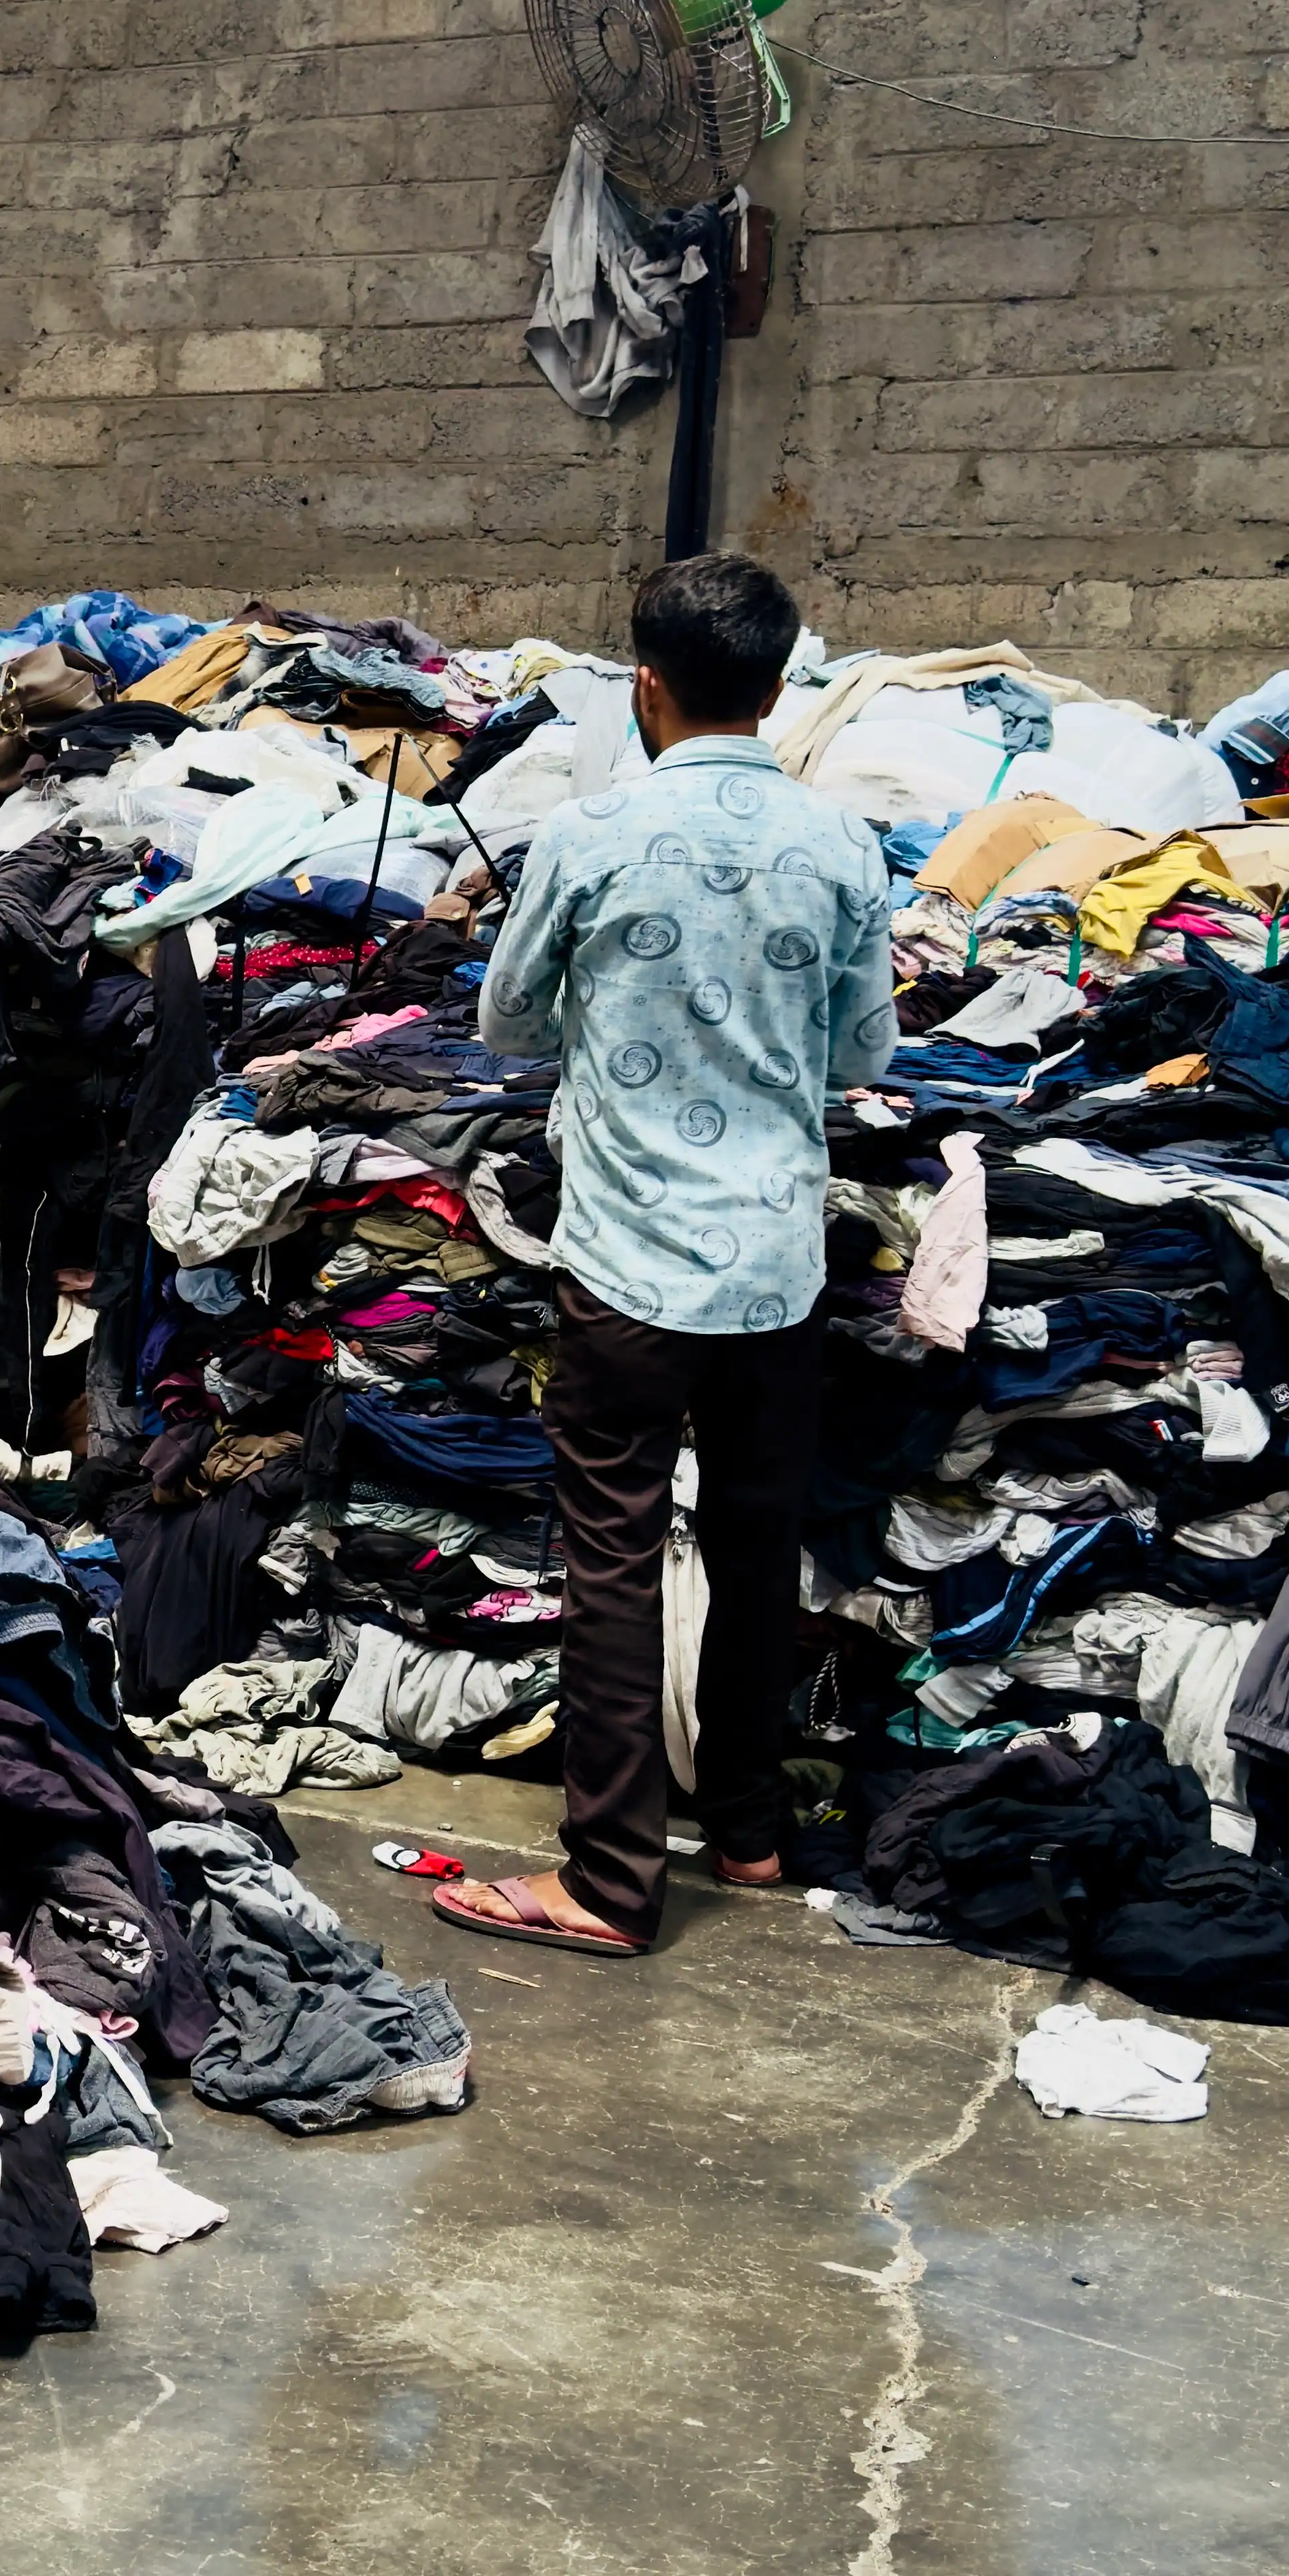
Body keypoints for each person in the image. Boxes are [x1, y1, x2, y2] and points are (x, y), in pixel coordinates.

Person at [435, 551, 891, 1955]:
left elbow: (508, 1025)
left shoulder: (592, 834)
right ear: (781, 683)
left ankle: (612, 1879)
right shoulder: (842, 848)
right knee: (759, 1548)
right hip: (774, 1265)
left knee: (616, 1558)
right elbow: (862, 1053)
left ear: (647, 683)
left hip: (629, 1261)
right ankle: (747, 1831)